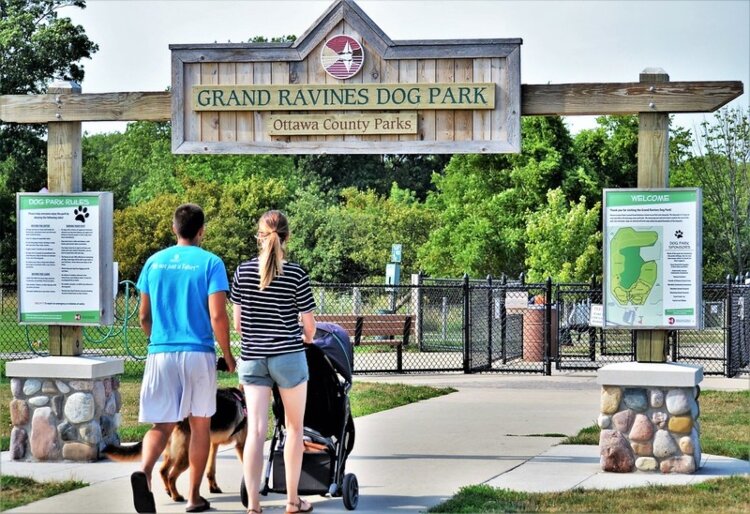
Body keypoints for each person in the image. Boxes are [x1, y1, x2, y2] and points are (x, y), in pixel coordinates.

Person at [133, 203, 236, 514]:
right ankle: (194, 498)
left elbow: (143, 316)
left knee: (162, 424)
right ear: (202, 230)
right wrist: (228, 355)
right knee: (200, 425)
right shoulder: (211, 263)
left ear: (173, 228)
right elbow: (218, 315)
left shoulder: (153, 263)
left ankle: (145, 472)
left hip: (160, 352)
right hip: (197, 353)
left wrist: (155, 340)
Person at [230, 210, 316, 514]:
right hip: (289, 357)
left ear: (259, 236)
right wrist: (301, 337)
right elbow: (310, 328)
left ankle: (253, 504)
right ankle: (292, 501)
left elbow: (238, 324)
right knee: (295, 428)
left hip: (253, 358)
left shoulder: (242, 272)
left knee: (255, 431)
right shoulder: (296, 274)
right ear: (287, 237)